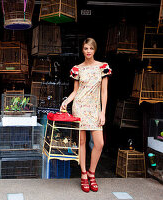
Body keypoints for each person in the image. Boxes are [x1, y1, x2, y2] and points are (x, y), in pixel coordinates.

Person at [60, 38, 112, 193]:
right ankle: (83, 175)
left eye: (91, 48)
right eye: (85, 48)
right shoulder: (77, 69)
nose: (88, 51)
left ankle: (92, 172)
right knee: (81, 142)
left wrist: (103, 112)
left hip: (95, 109)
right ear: (82, 50)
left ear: (95, 50)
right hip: (80, 108)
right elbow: (76, 91)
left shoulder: (103, 67)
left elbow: (104, 91)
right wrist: (66, 102)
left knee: (99, 143)